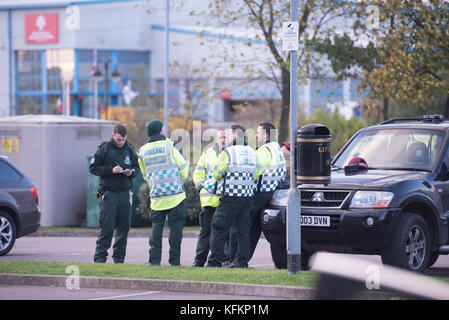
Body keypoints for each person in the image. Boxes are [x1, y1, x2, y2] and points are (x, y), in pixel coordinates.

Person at [206, 125, 260, 268]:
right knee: (243, 230)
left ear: (235, 136)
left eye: (229, 135)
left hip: (230, 196)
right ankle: (242, 262)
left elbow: (216, 173)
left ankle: (214, 262)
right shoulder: (252, 152)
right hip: (247, 197)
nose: (228, 138)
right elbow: (257, 173)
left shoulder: (228, 152)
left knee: (218, 227)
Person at [138, 119, 189, 266]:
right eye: (164, 128)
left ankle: (154, 261)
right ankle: (174, 261)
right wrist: (179, 180)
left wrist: (155, 183)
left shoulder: (142, 151)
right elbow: (184, 167)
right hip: (176, 196)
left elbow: (145, 174)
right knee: (176, 231)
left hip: (157, 197)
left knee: (156, 229)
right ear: (160, 130)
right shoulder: (170, 146)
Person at [90, 123, 140, 263]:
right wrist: (110, 170)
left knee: (124, 228)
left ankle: (119, 259)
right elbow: (93, 168)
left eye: (123, 139)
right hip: (109, 193)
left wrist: (131, 173)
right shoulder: (104, 148)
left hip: (125, 193)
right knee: (107, 227)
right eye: (118, 139)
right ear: (113, 136)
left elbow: (137, 168)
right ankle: (100, 258)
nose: (121, 142)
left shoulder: (129, 149)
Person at [249, 122, 286, 260]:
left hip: (259, 193)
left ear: (265, 135)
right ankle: (241, 260)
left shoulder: (264, 150)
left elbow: (253, 172)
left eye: (258, 133)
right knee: (255, 230)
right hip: (272, 193)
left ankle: (237, 259)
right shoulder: (277, 149)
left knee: (244, 227)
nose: (256, 136)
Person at [192, 129, 226, 267]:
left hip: (223, 201)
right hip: (208, 201)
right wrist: (201, 186)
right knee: (205, 232)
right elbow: (198, 173)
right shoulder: (208, 153)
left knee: (222, 233)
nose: (223, 140)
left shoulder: (230, 153)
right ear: (216, 139)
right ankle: (199, 261)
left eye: (225, 137)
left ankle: (222, 260)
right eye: (220, 138)